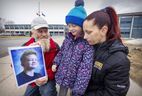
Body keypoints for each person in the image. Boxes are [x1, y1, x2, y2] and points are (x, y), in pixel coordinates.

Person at [83, 6, 130, 96]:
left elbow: (113, 93)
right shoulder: (91, 47)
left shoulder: (119, 61)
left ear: (104, 30)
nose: (85, 37)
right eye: (84, 32)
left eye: (88, 32)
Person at [52, 0, 94, 96]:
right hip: (63, 75)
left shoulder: (87, 43)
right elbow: (61, 52)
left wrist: (79, 89)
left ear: (82, 26)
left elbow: (85, 68)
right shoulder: (68, 38)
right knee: (61, 93)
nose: (70, 29)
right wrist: (56, 62)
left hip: (75, 80)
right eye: (69, 26)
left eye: (74, 25)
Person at [23, 16, 59, 96]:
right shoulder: (26, 46)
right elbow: (16, 65)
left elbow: (60, 65)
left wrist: (48, 76)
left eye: (46, 31)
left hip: (49, 77)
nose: (44, 34)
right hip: (33, 79)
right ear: (33, 32)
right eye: (40, 31)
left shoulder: (55, 47)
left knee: (47, 92)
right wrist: (27, 51)